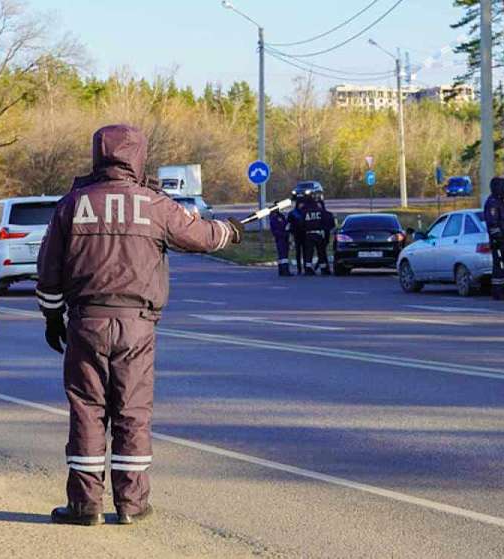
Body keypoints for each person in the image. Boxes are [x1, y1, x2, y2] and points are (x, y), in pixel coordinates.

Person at [36, 124, 243, 526]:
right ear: (138, 156)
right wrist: (230, 232)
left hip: (85, 322)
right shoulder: (154, 204)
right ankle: (131, 505)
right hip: (137, 325)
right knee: (132, 411)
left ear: (98, 154)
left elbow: (48, 270)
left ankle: (84, 506)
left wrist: (50, 316)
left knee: (87, 411)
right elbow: (200, 236)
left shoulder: (72, 203)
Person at [484, 177, 504, 300]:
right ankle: (498, 292)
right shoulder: (492, 203)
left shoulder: (500, 202)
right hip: (498, 240)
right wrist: (496, 239)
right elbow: (493, 223)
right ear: (498, 187)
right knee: (499, 266)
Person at [301, 186, 331, 275]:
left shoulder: (305, 212)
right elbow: (325, 221)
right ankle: (324, 269)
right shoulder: (320, 211)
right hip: (319, 234)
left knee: (308, 253)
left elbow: (302, 223)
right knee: (321, 252)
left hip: (308, 235)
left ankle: (308, 269)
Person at [269, 208, 292, 276]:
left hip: (284, 237)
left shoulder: (281, 216)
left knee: (283, 256)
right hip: (281, 238)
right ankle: (284, 271)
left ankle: (282, 270)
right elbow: (275, 230)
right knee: (283, 255)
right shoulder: (274, 218)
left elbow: (286, 225)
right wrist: (284, 234)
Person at [288, 198, 306, 275]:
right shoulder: (293, 213)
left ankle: (306, 267)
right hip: (297, 235)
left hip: (305, 235)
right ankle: (299, 269)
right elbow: (289, 224)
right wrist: (291, 235)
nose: (302, 205)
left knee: (305, 252)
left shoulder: (305, 212)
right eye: (300, 204)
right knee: (298, 252)